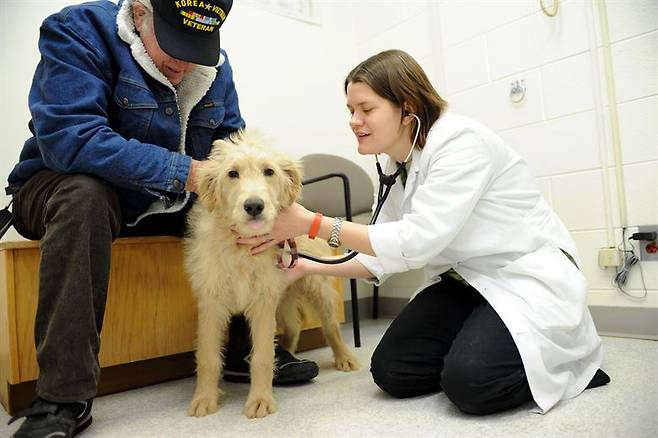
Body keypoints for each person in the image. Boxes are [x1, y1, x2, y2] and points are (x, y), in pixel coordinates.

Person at [5, 1, 316, 436]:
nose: (185, 63)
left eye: (197, 48)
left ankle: (247, 350)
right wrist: (183, 172)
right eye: (174, 45)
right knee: (84, 195)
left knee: (243, 214)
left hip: (168, 197)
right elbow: (70, 139)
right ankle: (62, 398)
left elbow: (231, 147)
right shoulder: (77, 31)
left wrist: (269, 205)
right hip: (65, 188)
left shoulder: (215, 69)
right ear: (139, 12)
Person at [241, 49, 611, 415]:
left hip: (522, 277)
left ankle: (567, 365)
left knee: (470, 386)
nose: (354, 121)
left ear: (406, 108)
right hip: (464, 283)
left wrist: (313, 224)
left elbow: (415, 242)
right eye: (351, 111)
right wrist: (311, 267)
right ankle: (478, 348)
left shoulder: (460, 142)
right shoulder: (394, 163)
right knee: (392, 372)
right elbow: (377, 256)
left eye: (366, 109)